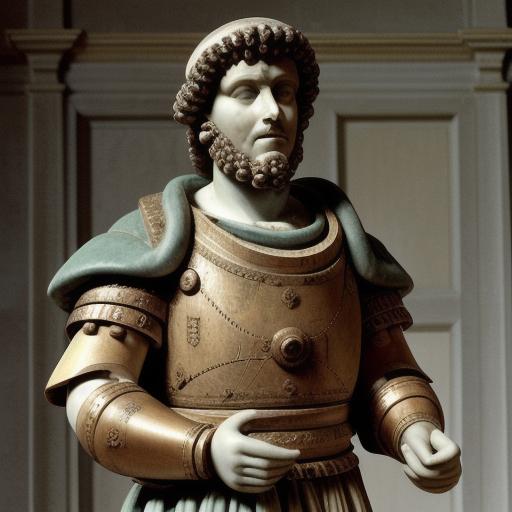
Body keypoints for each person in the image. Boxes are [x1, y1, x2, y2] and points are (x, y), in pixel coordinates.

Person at [45, 18, 462, 511]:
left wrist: (414, 429)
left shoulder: (347, 247)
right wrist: (203, 449)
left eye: (284, 92)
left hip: (332, 494)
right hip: (206, 498)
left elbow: (386, 373)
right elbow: (95, 392)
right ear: (205, 115)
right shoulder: (153, 242)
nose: (272, 112)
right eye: (246, 93)